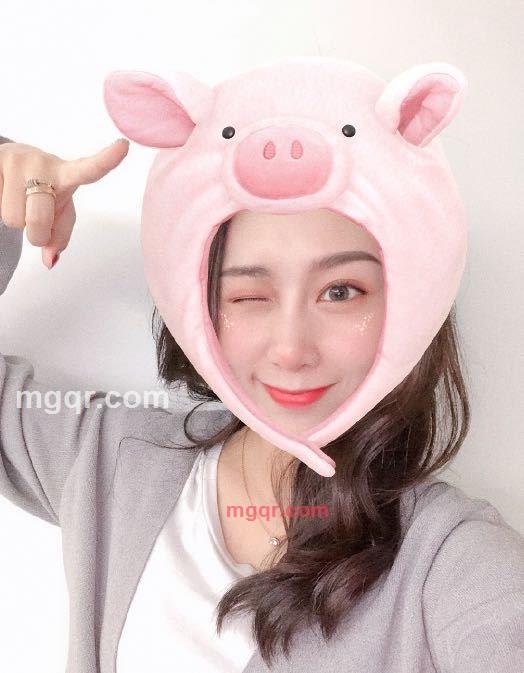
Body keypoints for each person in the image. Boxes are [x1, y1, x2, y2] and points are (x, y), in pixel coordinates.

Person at [1, 64, 523, 673]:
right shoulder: (110, 461)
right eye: (249, 295)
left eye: (341, 292)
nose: (292, 349)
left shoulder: (448, 559)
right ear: (200, 306)